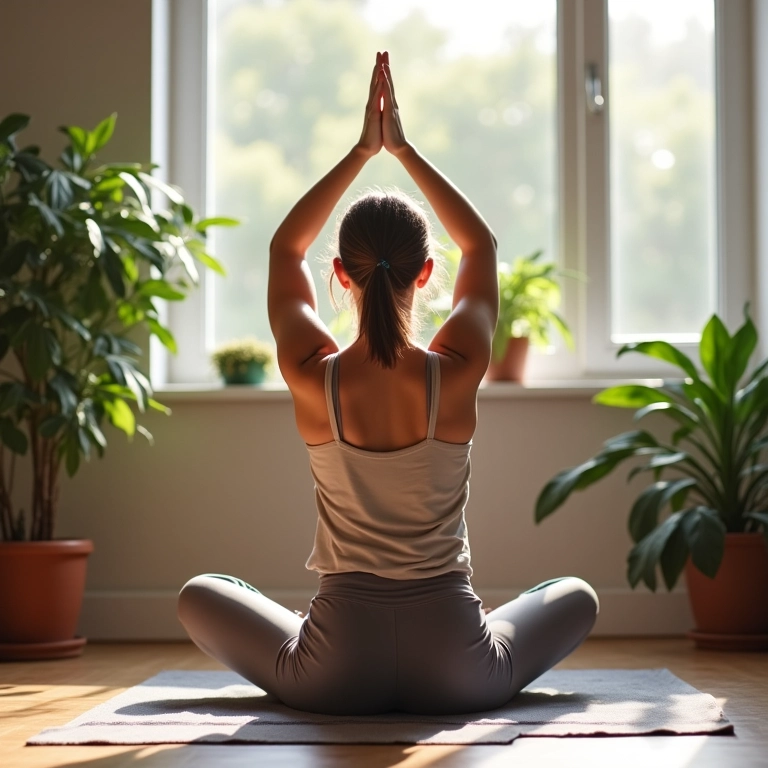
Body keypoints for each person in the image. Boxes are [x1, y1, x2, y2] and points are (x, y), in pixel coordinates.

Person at [178, 51, 598, 716]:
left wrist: (359, 151)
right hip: (459, 669)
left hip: (335, 670)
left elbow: (285, 249)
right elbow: (483, 246)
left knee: (201, 591)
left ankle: (319, 641)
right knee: (575, 593)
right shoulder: (453, 372)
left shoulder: (314, 375)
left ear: (339, 275)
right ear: (426, 273)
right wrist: (402, 150)